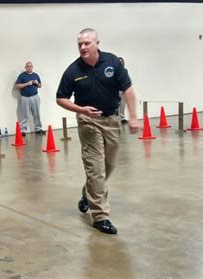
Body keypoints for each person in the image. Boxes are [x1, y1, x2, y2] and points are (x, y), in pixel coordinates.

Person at [56, 28, 140, 234]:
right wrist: (80, 109)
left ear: (97, 43)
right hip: (88, 122)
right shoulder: (73, 71)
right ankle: (100, 216)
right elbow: (61, 98)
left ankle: (87, 193)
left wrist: (134, 116)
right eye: (80, 44)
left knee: (109, 165)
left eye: (87, 43)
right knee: (95, 168)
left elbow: (127, 89)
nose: (83, 47)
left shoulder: (112, 63)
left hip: (111, 120)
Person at [15, 61, 45, 136]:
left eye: (30, 66)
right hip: (25, 97)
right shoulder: (21, 76)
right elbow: (17, 86)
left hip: (35, 97)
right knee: (24, 114)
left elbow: (40, 85)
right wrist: (27, 84)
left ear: (32, 67)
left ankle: (38, 129)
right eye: (27, 66)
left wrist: (37, 83)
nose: (29, 67)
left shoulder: (36, 75)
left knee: (36, 113)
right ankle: (23, 130)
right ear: (25, 68)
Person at [118, 57, 128, 124]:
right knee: (116, 105)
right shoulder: (115, 70)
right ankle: (116, 118)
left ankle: (122, 118)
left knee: (122, 104)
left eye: (122, 61)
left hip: (123, 90)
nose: (121, 62)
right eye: (119, 61)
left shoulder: (125, 70)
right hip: (116, 90)